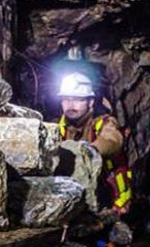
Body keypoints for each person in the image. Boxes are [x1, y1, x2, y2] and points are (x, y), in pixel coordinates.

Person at [56, 72, 132, 215]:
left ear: (90, 102)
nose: (70, 104)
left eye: (77, 99)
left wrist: (90, 150)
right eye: (65, 99)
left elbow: (113, 139)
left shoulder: (104, 122)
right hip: (75, 198)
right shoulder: (58, 127)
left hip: (111, 199)